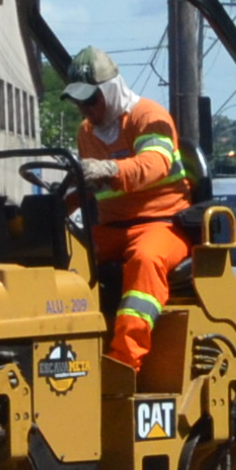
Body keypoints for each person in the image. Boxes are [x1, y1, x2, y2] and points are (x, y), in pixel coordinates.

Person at [63, 45, 190, 372]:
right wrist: (52, 208)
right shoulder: (86, 133)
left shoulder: (148, 116)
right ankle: (67, 351)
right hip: (111, 230)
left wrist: (111, 170)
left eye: (91, 100)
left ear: (111, 89)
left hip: (162, 225)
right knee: (67, 259)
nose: (86, 109)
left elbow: (156, 162)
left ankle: (123, 362)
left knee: (145, 261)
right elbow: (84, 184)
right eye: (79, 102)